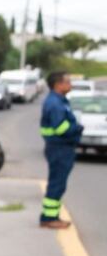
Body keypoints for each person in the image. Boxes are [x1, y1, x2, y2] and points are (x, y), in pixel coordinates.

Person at [39, 71, 83, 229]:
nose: (70, 84)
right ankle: (49, 218)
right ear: (58, 84)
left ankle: (52, 216)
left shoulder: (59, 101)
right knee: (57, 184)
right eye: (68, 82)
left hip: (61, 148)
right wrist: (77, 128)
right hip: (59, 148)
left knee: (58, 183)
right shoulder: (55, 103)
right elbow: (61, 128)